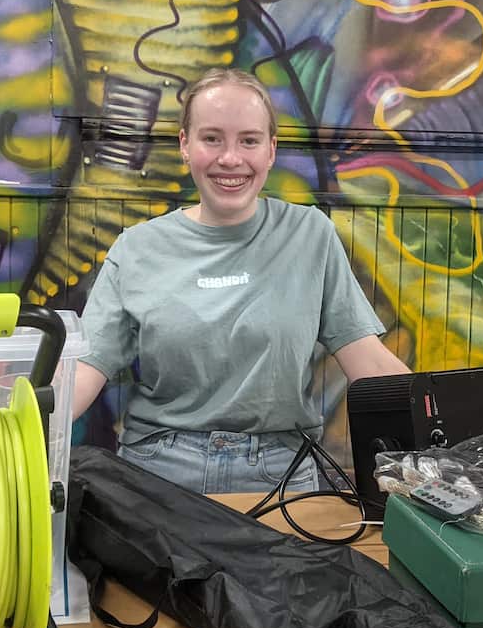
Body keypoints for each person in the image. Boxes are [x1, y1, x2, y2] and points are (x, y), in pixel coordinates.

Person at [72, 68, 410, 493]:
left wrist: (448, 443)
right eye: (212, 138)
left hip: (281, 475)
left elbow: (370, 363)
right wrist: (6, 430)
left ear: (271, 150)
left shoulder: (310, 235)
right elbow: (85, 370)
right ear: (185, 145)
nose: (230, 158)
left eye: (249, 140)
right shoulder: (136, 248)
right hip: (158, 473)